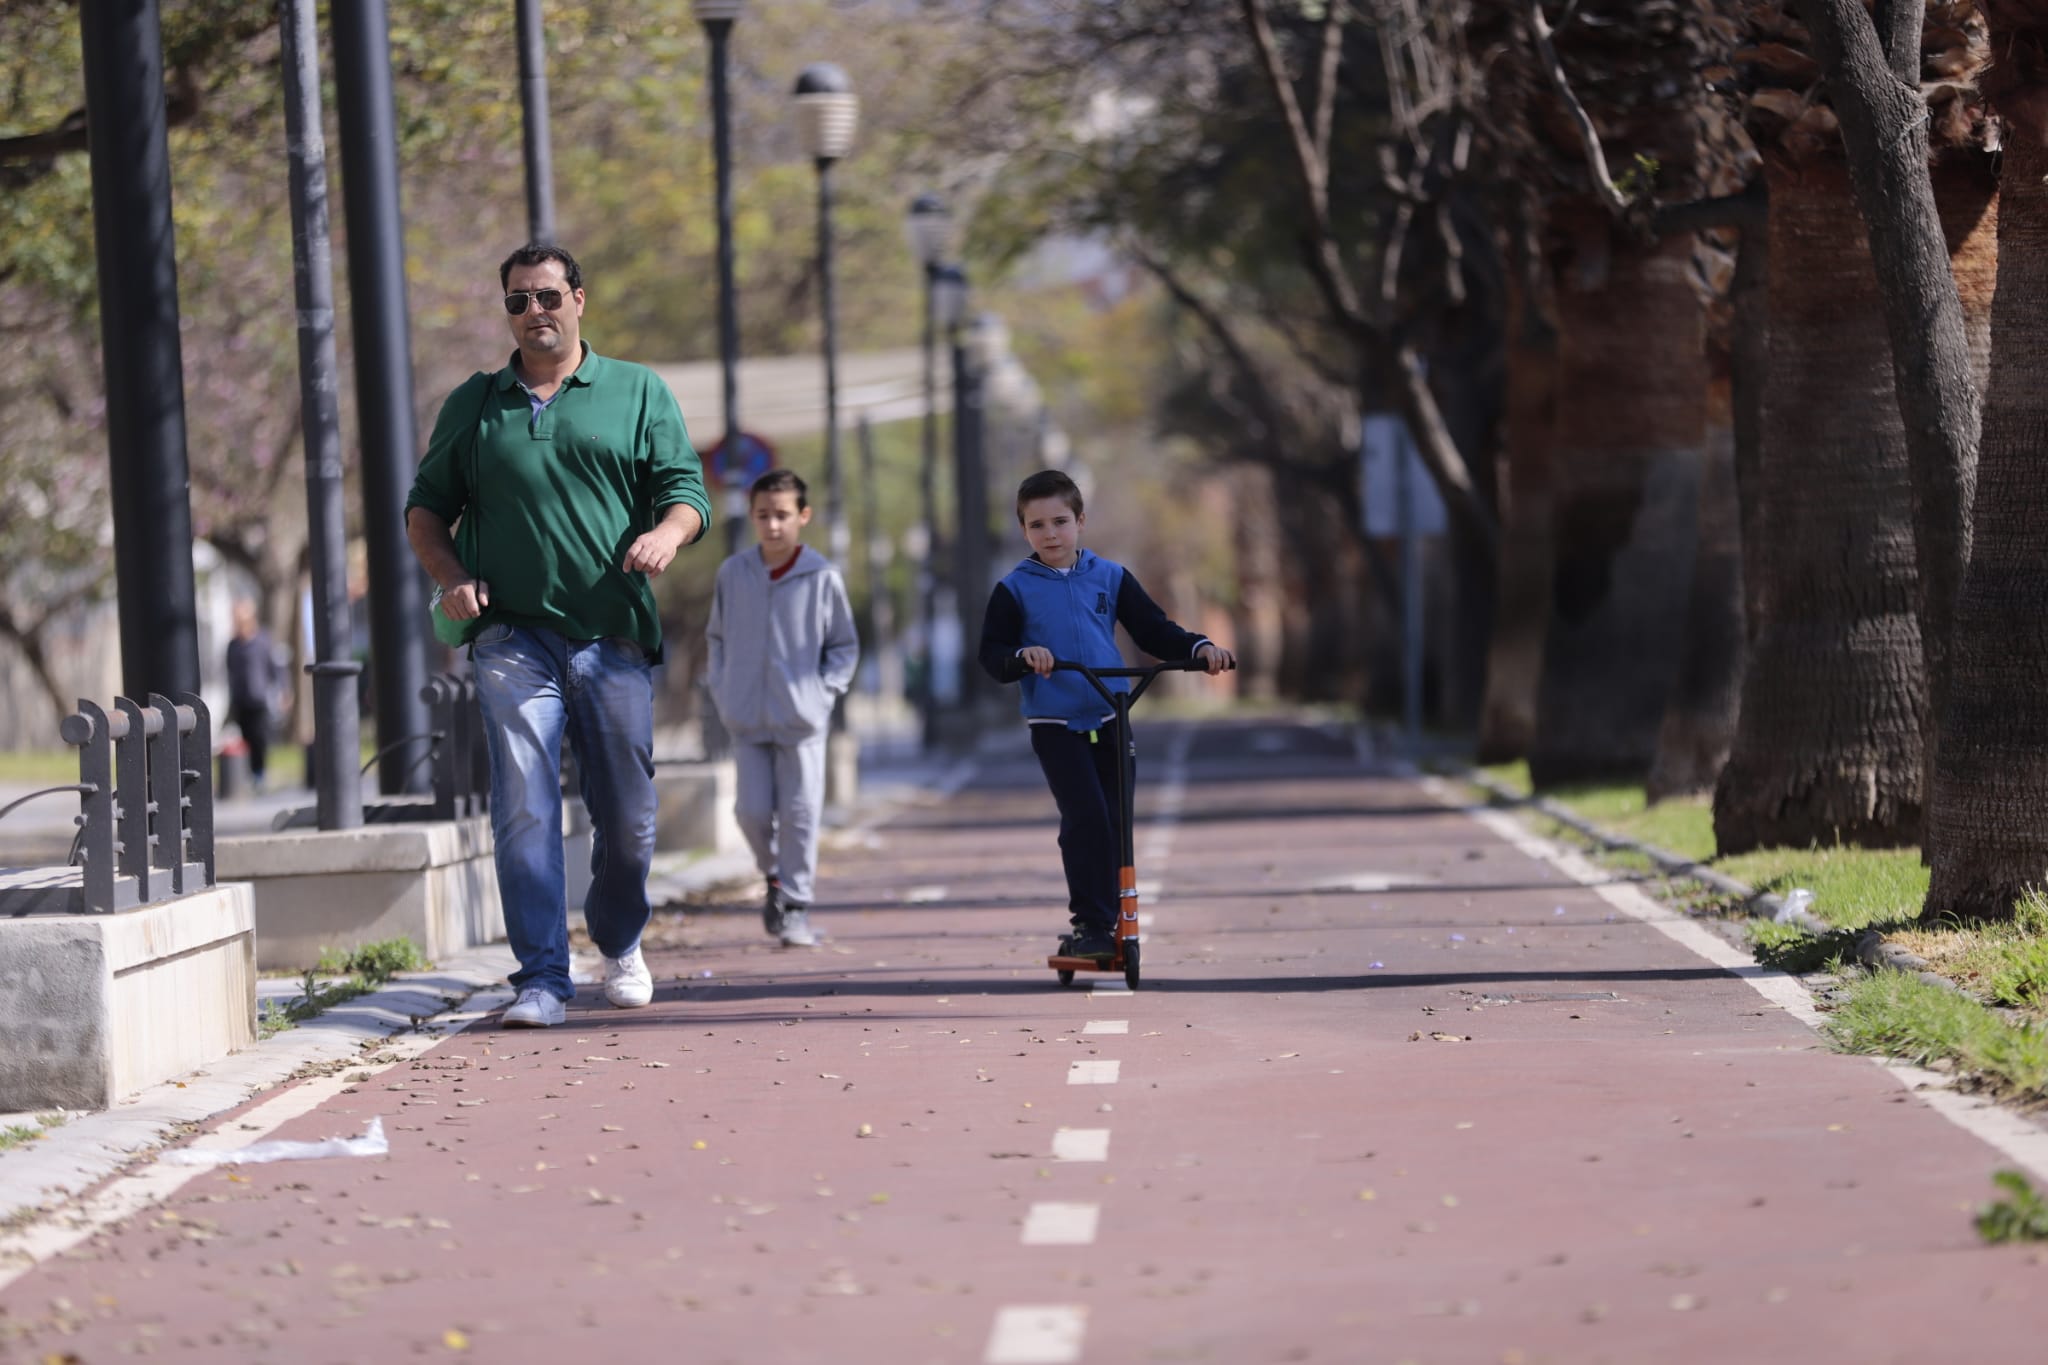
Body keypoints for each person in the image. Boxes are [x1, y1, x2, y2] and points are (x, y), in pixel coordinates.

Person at [404, 242, 711, 1029]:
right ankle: (541, 975)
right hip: (512, 636)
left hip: (612, 633)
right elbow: (426, 509)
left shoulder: (637, 390)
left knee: (630, 814)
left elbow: (685, 492)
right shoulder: (478, 403)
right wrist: (450, 576)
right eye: (517, 301)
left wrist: (669, 537)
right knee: (527, 806)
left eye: (546, 296)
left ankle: (619, 936)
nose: (533, 313)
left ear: (580, 298)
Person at [978, 469, 1234, 961]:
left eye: (1059, 521)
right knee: (1086, 818)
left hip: (1113, 712)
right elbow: (992, 654)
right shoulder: (1013, 589)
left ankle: (1115, 915)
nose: (1050, 534)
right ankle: (1091, 924)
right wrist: (1022, 656)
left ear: (1080, 521)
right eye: (1037, 526)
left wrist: (1200, 648)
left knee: (1117, 819)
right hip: (1055, 724)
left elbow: (1154, 630)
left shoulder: (1110, 576)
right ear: (1023, 530)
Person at [705, 469, 860, 948]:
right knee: (750, 811)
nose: (773, 526)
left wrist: (823, 694)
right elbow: (716, 637)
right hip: (745, 716)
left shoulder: (822, 577)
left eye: (783, 516)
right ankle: (773, 875)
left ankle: (795, 904)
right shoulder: (733, 573)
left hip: (802, 720)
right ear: (752, 517)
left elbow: (843, 646)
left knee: (799, 812)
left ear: (803, 516)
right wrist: (723, 688)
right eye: (763, 516)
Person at [224, 600, 285, 793]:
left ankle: (260, 774)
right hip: (241, 699)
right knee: (245, 736)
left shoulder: (263, 641)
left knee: (259, 737)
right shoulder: (233, 646)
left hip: (259, 697)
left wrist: (283, 690)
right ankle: (249, 773)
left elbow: (275, 668)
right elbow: (230, 670)